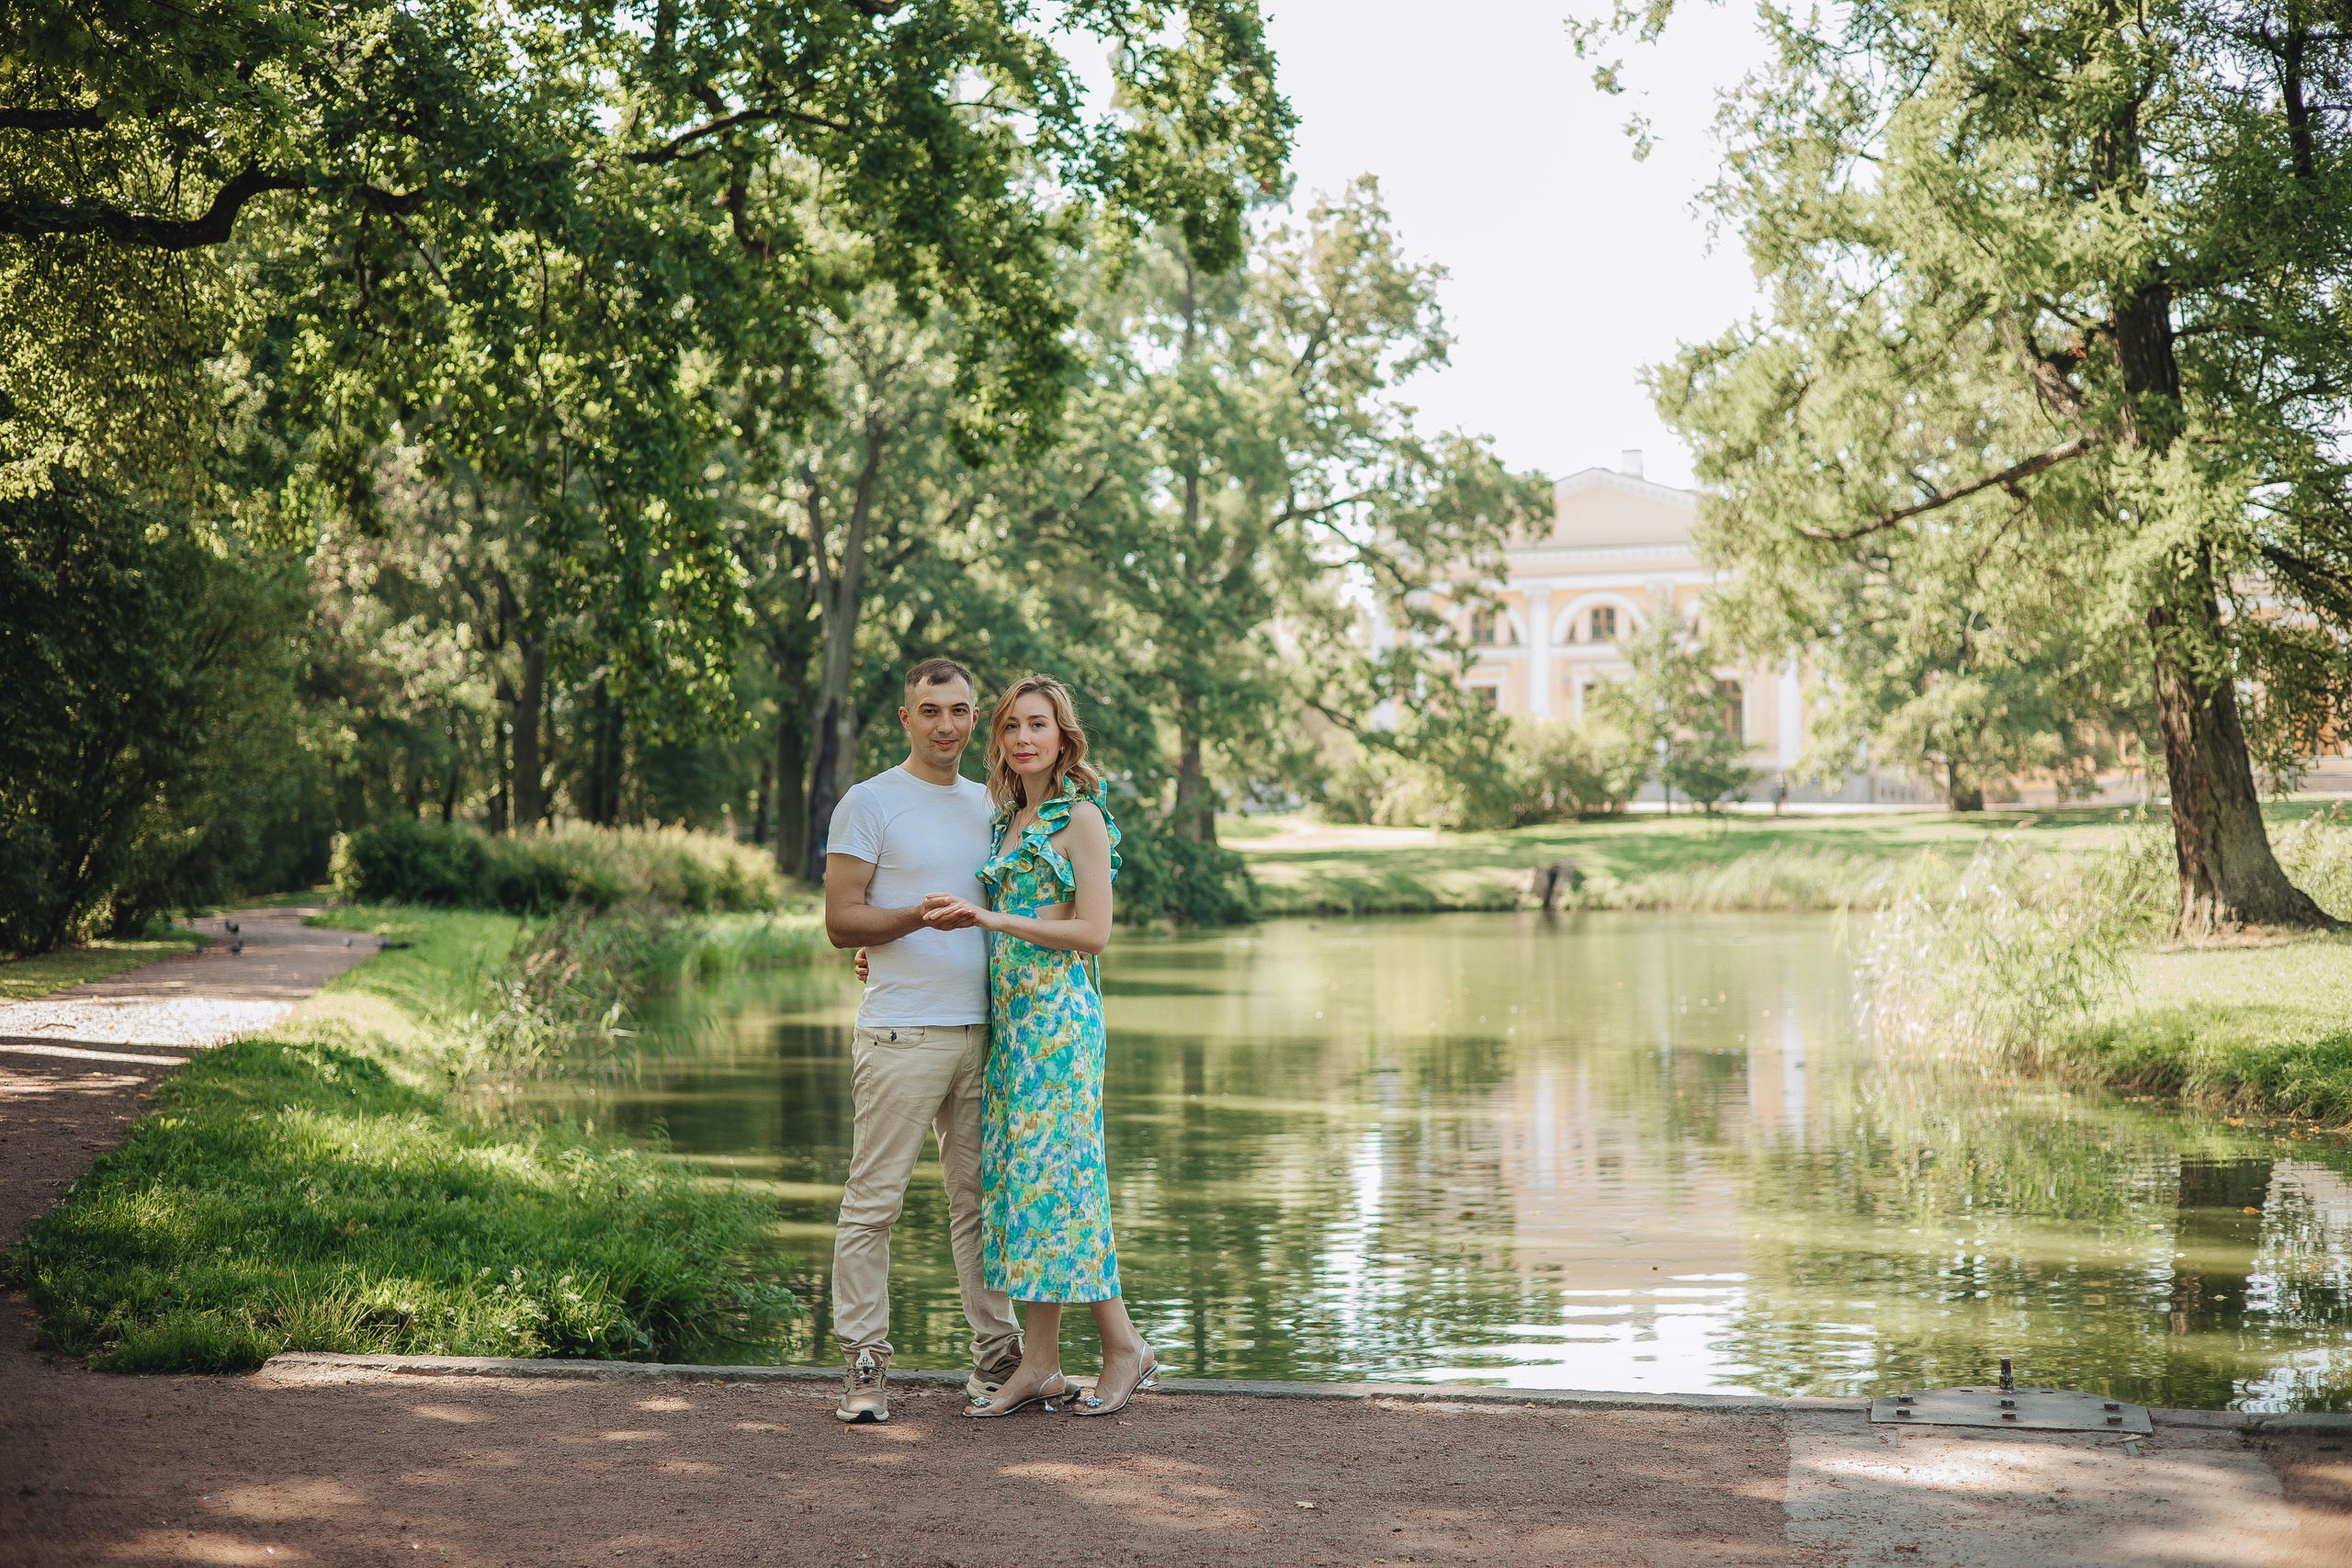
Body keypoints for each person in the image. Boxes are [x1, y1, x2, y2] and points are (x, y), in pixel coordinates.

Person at [920, 673, 1156, 1419]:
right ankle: (1042, 1364)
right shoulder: (1002, 823)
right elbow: (967, 921)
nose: (1024, 737)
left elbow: (1093, 933)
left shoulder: (1080, 818)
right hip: (1011, 1028)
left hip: (1060, 1027)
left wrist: (994, 922)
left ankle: (1124, 1347)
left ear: (1063, 738)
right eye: (1013, 726)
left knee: (1068, 1188)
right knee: (1023, 1192)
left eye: (1039, 725)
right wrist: (887, 954)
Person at [821, 657, 1024, 1425]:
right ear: (906, 717)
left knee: (980, 1205)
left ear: (978, 720)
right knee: (874, 1202)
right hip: (902, 1032)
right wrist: (912, 919)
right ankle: (865, 1365)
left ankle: (996, 1359)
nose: (948, 724)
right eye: (932, 710)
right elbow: (843, 922)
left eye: (962, 710)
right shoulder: (870, 802)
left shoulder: (996, 805)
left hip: (986, 1033)